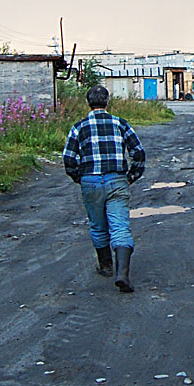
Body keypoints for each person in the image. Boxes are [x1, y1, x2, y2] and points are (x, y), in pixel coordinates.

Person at [62, 85, 146, 292]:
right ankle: (122, 274)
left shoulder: (78, 127)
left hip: (90, 181)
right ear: (108, 102)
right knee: (120, 227)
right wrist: (132, 176)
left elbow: (69, 159)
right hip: (117, 180)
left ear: (88, 103)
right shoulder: (120, 123)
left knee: (98, 226)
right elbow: (138, 152)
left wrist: (79, 178)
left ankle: (106, 266)